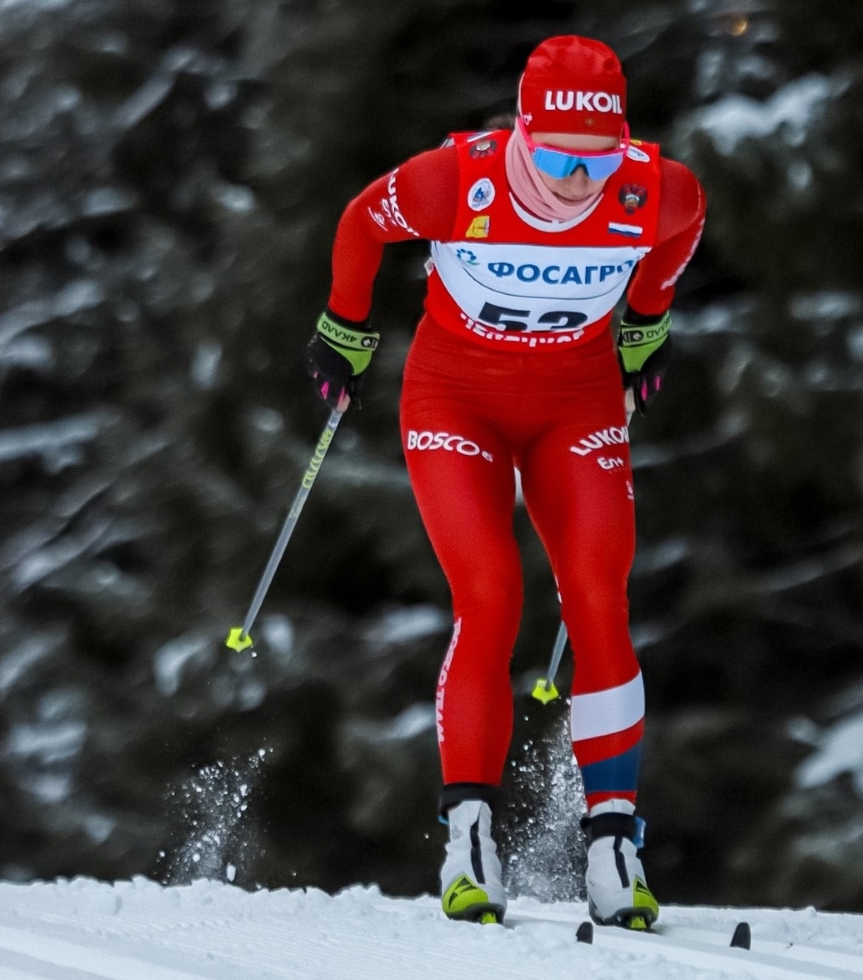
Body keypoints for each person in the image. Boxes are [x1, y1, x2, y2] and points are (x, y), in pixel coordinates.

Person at [305, 34, 706, 929]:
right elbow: (362, 222)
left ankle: (613, 842)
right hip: (456, 402)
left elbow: (685, 229)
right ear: (524, 133)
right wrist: (345, 325)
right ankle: (469, 835)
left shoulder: (652, 190)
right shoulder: (460, 181)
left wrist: (647, 319)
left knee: (599, 598)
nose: (576, 180)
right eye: (559, 156)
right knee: (489, 596)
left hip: (576, 402)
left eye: (596, 160)